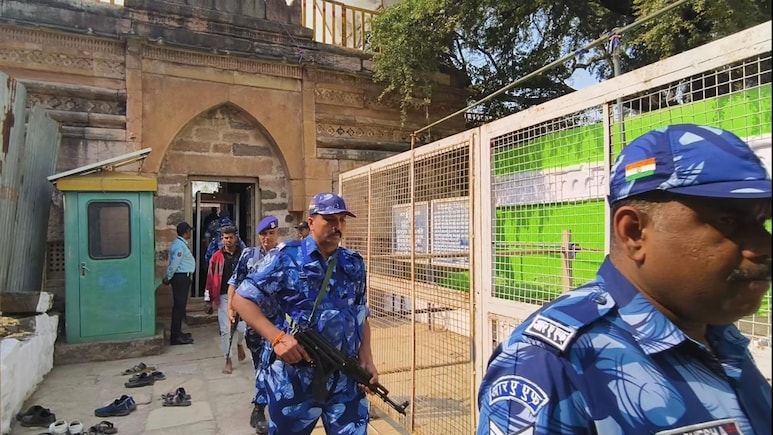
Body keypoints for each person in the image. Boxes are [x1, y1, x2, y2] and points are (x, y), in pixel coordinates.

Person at [477, 124, 772, 435]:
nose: (764, 246)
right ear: (634, 233)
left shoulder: (719, 337)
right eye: (728, 221)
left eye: (762, 222)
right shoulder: (552, 364)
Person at [233, 193, 377, 435]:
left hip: (344, 378)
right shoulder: (285, 257)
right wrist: (277, 338)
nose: (337, 226)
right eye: (330, 219)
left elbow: (361, 313)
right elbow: (241, 299)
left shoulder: (353, 263)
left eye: (342, 220)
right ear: (311, 222)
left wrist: (367, 359)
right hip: (295, 377)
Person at [226, 215, 281, 434]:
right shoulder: (249, 255)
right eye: (263, 234)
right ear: (258, 236)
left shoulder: (285, 255)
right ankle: (259, 408)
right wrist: (231, 308)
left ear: (277, 233)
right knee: (260, 366)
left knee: (274, 367)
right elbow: (234, 281)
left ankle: (265, 408)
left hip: (278, 324)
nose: (267, 238)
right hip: (255, 323)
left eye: (271, 233)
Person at [205, 224, 247, 374]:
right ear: (222, 239)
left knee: (243, 328)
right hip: (223, 296)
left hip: (242, 295)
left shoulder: (244, 255)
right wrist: (207, 300)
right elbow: (210, 278)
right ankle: (227, 359)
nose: (228, 240)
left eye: (230, 237)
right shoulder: (216, 257)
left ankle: (239, 344)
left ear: (236, 238)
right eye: (225, 238)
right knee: (225, 329)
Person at [164, 222, 197, 345]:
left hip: (182, 277)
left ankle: (178, 332)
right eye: (189, 231)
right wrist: (168, 276)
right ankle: (175, 336)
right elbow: (174, 264)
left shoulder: (180, 244)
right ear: (186, 232)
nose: (190, 233)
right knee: (179, 308)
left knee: (180, 307)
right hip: (180, 278)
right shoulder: (179, 246)